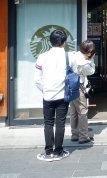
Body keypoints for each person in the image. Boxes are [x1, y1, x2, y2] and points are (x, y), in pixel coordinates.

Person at [34, 29, 70, 162]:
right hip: (62, 95)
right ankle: (58, 151)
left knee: (48, 123)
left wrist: (45, 90)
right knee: (60, 123)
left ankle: (48, 152)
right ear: (64, 42)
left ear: (50, 41)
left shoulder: (42, 57)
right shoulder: (68, 56)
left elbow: (37, 80)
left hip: (47, 96)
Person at [69, 40, 96, 144]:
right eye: (92, 53)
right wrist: (91, 60)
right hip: (79, 87)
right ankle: (83, 136)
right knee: (82, 112)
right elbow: (91, 71)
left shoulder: (74, 55)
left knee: (73, 112)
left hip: (71, 86)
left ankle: (75, 134)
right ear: (89, 52)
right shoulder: (83, 62)